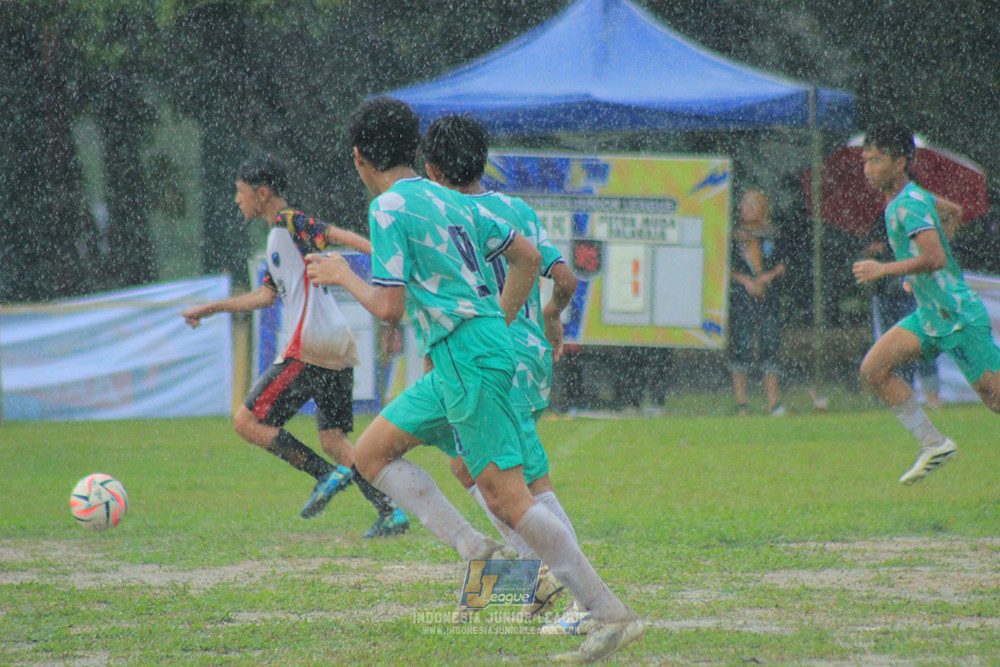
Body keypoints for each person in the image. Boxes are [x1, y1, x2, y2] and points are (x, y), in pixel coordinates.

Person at [305, 97, 644, 663]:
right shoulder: (450, 197)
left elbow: (388, 308)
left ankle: (606, 612)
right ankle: (476, 551)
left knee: (508, 498)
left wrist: (343, 273)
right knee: (371, 454)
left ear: (359, 158)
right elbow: (529, 256)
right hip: (471, 352)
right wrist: (500, 321)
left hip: (465, 356)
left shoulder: (389, 206)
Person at [179, 154, 409, 537]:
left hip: (312, 345)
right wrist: (211, 308)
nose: (237, 201)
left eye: (240, 193)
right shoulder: (277, 237)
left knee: (247, 422)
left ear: (263, 193)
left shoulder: (288, 221)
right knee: (334, 439)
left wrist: (387, 257)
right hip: (336, 344)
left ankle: (325, 476)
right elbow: (266, 296)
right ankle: (390, 511)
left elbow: (339, 235)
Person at [419, 113, 585, 628]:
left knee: (525, 479)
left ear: (431, 170)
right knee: (470, 465)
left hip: (491, 360)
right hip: (528, 359)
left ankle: (578, 595)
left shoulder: (443, 214)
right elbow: (565, 276)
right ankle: (520, 577)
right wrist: (553, 316)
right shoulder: (514, 207)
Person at [853, 123, 1000, 484]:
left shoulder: (907, 204)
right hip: (931, 317)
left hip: (958, 318)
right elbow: (953, 212)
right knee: (874, 370)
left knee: (996, 400)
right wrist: (915, 273)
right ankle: (933, 443)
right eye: (865, 160)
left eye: (876, 160)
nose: (867, 169)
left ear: (900, 161)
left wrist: (885, 268)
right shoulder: (910, 198)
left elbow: (933, 257)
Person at [728, 189, 787, 416]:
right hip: (742, 297)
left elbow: (782, 263)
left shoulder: (772, 234)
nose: (748, 208)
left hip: (768, 297)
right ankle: (741, 403)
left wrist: (766, 278)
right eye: (744, 204)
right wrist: (746, 282)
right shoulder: (735, 237)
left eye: (753, 204)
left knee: (769, 345)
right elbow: (729, 267)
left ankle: (774, 403)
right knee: (741, 344)